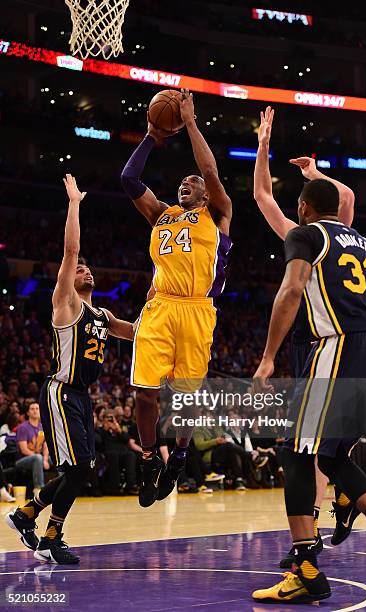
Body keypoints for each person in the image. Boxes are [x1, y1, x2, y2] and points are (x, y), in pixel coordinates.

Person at [252, 178, 366, 602]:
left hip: (342, 350)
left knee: (296, 449)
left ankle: (304, 567)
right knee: (330, 454)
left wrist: (268, 357)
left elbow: (291, 289)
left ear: (303, 207)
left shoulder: (306, 235)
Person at [6, 174, 135, 564]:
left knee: (83, 469)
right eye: (80, 269)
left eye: (88, 269)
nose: (85, 271)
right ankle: (49, 533)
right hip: (60, 390)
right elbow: (70, 249)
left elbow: (138, 333)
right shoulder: (66, 305)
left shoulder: (102, 313)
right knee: (78, 469)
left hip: (81, 397)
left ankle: (28, 515)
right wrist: (75, 203)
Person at [254, 106, 358, 567]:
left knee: (314, 447)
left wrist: (265, 146)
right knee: (320, 449)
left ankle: (319, 525)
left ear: (306, 206)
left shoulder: (316, 237)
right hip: (333, 342)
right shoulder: (326, 235)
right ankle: (325, 517)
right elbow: (347, 195)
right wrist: (312, 170)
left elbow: (263, 194)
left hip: (326, 344)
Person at [121, 89, 232, 507]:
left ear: (206, 194)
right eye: (183, 181)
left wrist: (189, 123)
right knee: (145, 392)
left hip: (198, 310)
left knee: (185, 399)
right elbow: (129, 180)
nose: (188, 182)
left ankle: (180, 455)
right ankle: (150, 458)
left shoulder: (218, 213)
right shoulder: (161, 214)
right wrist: (151, 137)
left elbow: (211, 170)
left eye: (194, 182)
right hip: (161, 304)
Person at [15, 401, 49, 497]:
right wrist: (41, 458)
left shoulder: (42, 427)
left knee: (58, 459)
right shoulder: (23, 427)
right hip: (22, 460)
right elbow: (24, 450)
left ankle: (63, 488)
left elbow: (46, 446)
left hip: (39, 457)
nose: (35, 411)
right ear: (28, 413)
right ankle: (39, 489)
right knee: (38, 457)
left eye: (37, 409)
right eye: (32, 409)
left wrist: (45, 460)